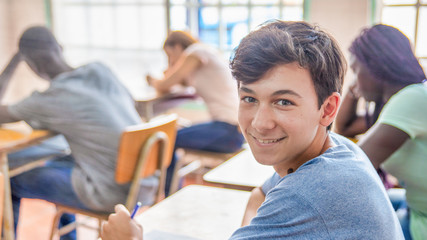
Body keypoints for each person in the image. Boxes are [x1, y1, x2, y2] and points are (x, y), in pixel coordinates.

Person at [100, 20, 404, 240]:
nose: (259, 123)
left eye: (283, 101)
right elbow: (259, 196)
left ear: (327, 109)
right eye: (249, 98)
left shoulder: (309, 192)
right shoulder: (337, 148)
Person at [0, 26, 142, 240]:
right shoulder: (100, 69)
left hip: (111, 193)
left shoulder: (51, 98)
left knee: (12, 181)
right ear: (60, 47)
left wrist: (13, 63)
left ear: (32, 65)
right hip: (143, 180)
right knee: (62, 163)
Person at [341, 24, 426, 240]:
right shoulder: (406, 98)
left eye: (355, 70)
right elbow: (345, 128)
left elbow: (352, 165)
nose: (354, 81)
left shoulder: (412, 99)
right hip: (414, 206)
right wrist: (354, 91)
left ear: (374, 68)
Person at [147, 31, 244, 195]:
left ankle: (170, 195)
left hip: (228, 130)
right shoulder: (207, 53)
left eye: (170, 55)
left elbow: (165, 84)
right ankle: (172, 191)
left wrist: (152, 80)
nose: (170, 61)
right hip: (233, 130)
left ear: (178, 47)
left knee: (169, 139)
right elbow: (175, 81)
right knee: (175, 133)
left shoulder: (195, 52)